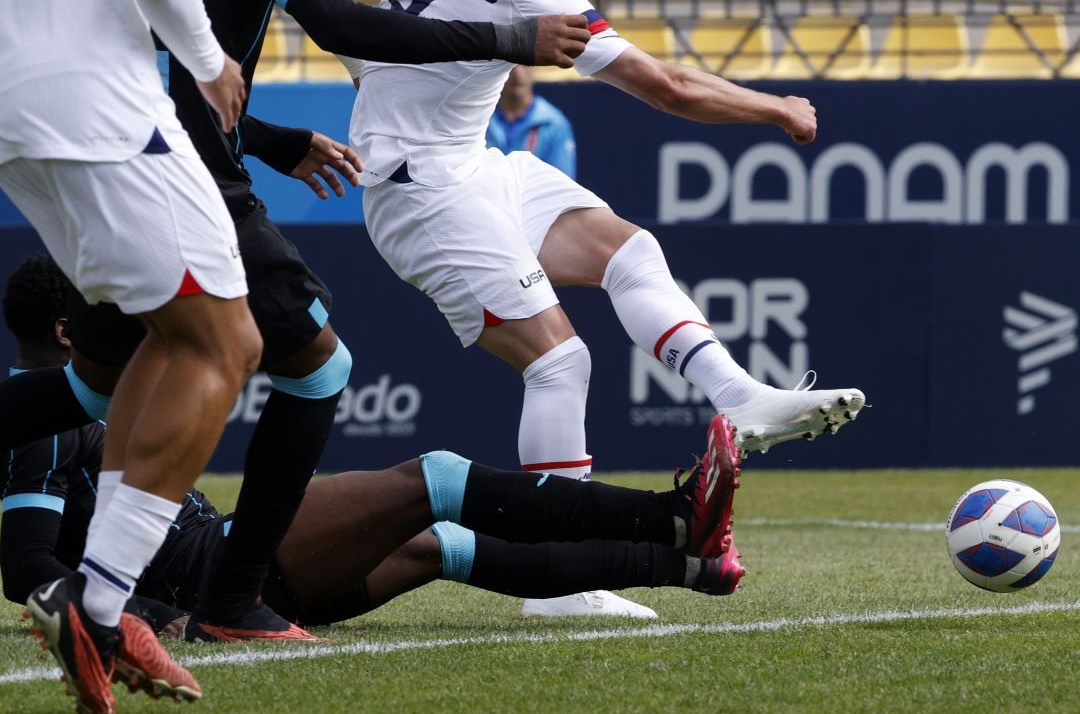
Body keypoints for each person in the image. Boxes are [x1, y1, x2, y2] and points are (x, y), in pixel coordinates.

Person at [0, 0, 590, 647]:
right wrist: (514, 35)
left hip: (105, 142)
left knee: (94, 387)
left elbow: (169, 65)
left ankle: (145, 593)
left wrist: (274, 141)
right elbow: (342, 23)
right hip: (185, 176)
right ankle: (232, 601)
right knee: (317, 366)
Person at [316, 0, 867, 618]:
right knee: (558, 364)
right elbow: (669, 86)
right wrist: (776, 108)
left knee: (628, 250)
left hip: (474, 166)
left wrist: (363, 63)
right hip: (424, 193)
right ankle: (561, 583)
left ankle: (739, 396)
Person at [1, 254, 745, 672]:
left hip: (224, 562)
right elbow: (24, 565)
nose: (137, 321)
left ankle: (689, 567)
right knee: (435, 478)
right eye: (111, 312)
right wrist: (156, 616)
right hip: (209, 573)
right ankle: (675, 518)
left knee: (441, 545)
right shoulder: (45, 427)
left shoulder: (75, 404)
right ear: (69, 331)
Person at [0, 0, 262, 708]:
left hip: (15, 110)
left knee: (169, 328)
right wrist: (210, 61)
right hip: (100, 105)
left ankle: (102, 603)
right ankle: (102, 605)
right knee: (229, 339)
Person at [487, 66, 578, 178]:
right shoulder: (480, 117)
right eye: (510, 65)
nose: (518, 73)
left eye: (525, 64)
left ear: (535, 68)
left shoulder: (555, 123)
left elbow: (562, 182)